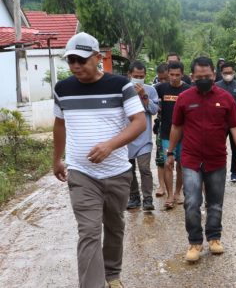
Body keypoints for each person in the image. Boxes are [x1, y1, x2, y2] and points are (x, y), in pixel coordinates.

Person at [52, 32, 146, 288]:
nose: (75, 66)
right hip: (82, 173)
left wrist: (110, 145)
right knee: (89, 232)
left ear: (98, 58)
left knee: (115, 227)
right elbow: (59, 124)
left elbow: (139, 122)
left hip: (117, 172)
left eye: (81, 60)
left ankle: (112, 275)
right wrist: (57, 159)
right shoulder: (63, 89)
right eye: (71, 61)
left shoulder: (120, 86)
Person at [166, 56, 236, 263]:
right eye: (199, 76)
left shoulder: (226, 98)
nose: (204, 79)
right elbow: (176, 127)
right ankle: (194, 242)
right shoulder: (184, 98)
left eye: (208, 76)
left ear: (214, 75)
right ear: (192, 77)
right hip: (191, 159)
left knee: (215, 203)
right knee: (192, 202)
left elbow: (235, 127)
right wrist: (170, 152)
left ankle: (214, 238)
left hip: (217, 159)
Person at [156, 61, 191, 209]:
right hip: (166, 133)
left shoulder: (189, 90)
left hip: (184, 134)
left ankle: (178, 193)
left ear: (182, 74)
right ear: (167, 74)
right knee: (168, 164)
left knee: (181, 165)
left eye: (177, 75)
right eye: (171, 74)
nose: (174, 77)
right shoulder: (160, 88)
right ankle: (169, 195)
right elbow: (152, 105)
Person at [126, 61, 160, 211]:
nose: (138, 79)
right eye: (135, 76)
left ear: (145, 75)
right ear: (129, 75)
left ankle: (148, 198)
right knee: (128, 169)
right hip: (125, 137)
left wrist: (143, 96)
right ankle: (134, 197)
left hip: (144, 137)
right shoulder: (122, 90)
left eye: (141, 76)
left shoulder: (150, 90)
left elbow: (154, 110)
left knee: (144, 168)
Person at [216, 61, 236, 182]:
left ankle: (234, 172)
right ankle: (219, 171)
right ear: (221, 73)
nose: (228, 74)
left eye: (230, 72)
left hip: (234, 121)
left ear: (234, 72)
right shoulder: (217, 85)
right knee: (219, 147)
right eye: (225, 73)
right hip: (220, 122)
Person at [153, 63, 169, 197]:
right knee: (161, 158)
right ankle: (161, 185)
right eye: (160, 79)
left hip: (179, 126)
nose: (163, 82)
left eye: (166, 78)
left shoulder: (182, 87)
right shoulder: (156, 89)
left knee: (181, 159)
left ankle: (179, 189)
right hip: (162, 126)